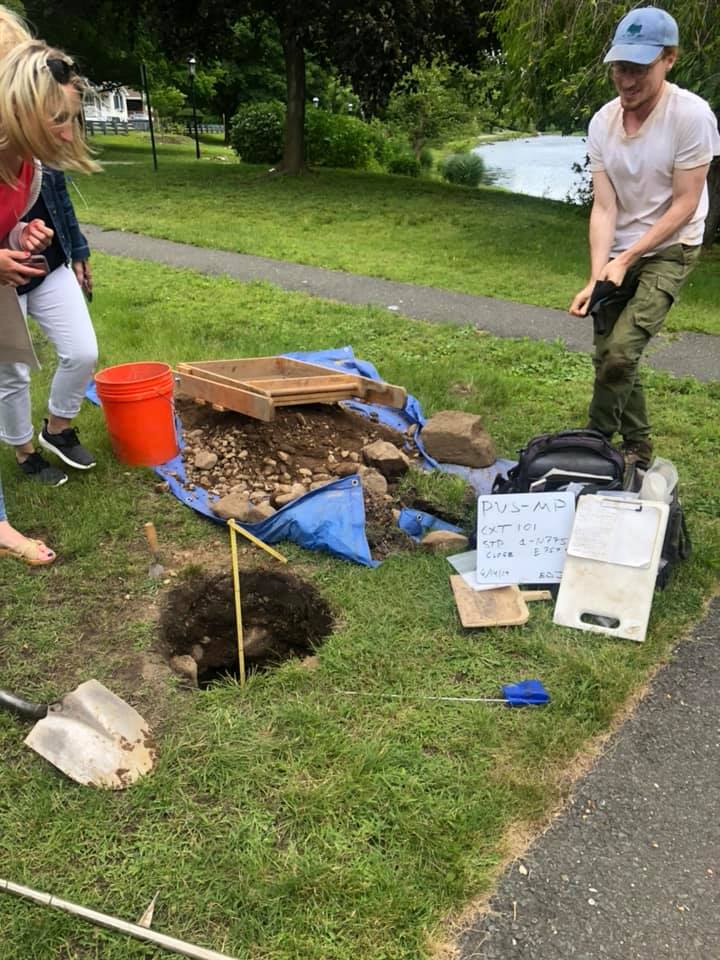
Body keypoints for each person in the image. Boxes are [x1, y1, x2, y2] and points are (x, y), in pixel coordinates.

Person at [569, 7, 720, 467]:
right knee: (610, 358)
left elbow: (685, 204)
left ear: (669, 59)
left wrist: (630, 256)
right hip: (618, 251)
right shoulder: (601, 123)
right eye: (620, 67)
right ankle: (637, 446)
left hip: (671, 247)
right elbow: (605, 206)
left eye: (639, 69)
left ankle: (593, 438)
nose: (627, 80)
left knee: (620, 352)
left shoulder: (691, 117)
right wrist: (600, 277)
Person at [0, 22, 99, 564]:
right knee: (11, 371)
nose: (68, 133)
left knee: (82, 350)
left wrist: (24, 235)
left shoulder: (32, 168)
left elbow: (12, 223)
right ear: (20, 111)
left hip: (35, 264)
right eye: (57, 120)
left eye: (71, 118)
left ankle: (55, 428)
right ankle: (22, 455)